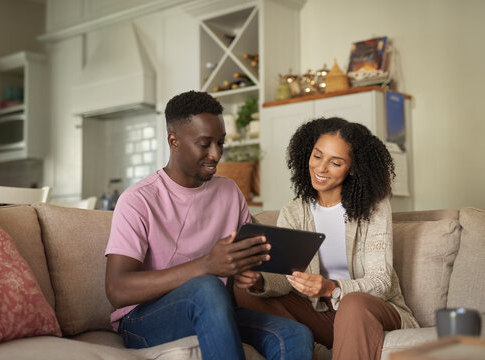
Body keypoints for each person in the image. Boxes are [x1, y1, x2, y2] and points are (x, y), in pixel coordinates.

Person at [105, 90, 314, 360]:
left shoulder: (229, 192)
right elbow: (117, 289)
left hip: (213, 307)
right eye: (205, 144)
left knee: (296, 334)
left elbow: (249, 255)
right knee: (206, 286)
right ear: (174, 140)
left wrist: (251, 274)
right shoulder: (138, 199)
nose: (216, 155)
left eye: (221, 143)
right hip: (142, 319)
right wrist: (206, 265)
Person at [234, 117, 419, 360]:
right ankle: (311, 351)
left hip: (369, 308)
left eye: (336, 162)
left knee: (352, 303)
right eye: (317, 156)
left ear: (352, 168)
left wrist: (332, 288)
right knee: (245, 289)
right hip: (319, 313)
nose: (321, 168)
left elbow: (381, 281)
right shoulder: (294, 210)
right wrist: (258, 280)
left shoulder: (373, 207)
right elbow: (285, 277)